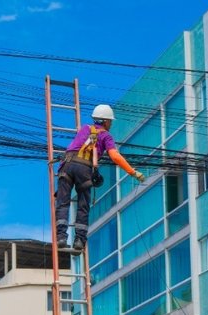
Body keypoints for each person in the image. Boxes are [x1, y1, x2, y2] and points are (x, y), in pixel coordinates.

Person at [56, 104, 144, 254]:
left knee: (63, 203)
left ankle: (61, 238)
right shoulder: (106, 136)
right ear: (105, 121)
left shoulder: (84, 129)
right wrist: (133, 172)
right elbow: (115, 156)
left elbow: (75, 146)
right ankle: (79, 241)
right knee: (83, 206)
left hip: (67, 165)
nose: (111, 124)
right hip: (84, 169)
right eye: (110, 121)